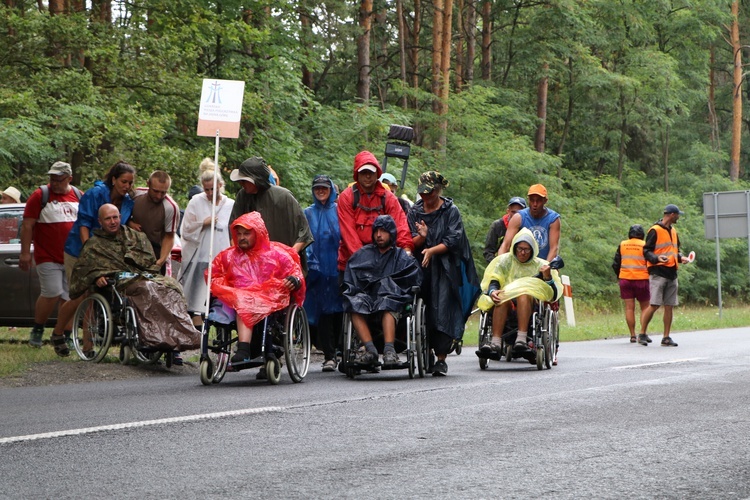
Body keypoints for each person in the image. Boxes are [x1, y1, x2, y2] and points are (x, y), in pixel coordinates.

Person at [50, 204, 199, 358]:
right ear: (100, 221)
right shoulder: (94, 245)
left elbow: (148, 261)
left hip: (143, 276)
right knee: (148, 290)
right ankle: (154, 338)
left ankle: (182, 336)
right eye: (108, 219)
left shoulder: (136, 237)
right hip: (121, 286)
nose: (113, 221)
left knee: (171, 289)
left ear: (120, 218)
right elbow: (86, 270)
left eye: (115, 217)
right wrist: (97, 276)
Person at [407, 171, 480, 376]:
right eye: (422, 193)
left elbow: (453, 240)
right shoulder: (414, 212)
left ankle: (441, 358)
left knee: (443, 310)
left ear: (438, 191)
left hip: (446, 268)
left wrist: (432, 249)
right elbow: (408, 241)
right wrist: (422, 240)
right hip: (421, 267)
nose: (425, 197)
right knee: (422, 306)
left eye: (429, 193)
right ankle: (424, 349)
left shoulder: (451, 211)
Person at [208, 212, 305, 365]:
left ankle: (246, 349)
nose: (241, 237)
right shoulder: (227, 256)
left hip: (269, 300)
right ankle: (245, 349)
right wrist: (224, 288)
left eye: (246, 233)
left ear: (258, 233)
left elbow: (295, 271)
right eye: (238, 234)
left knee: (247, 302)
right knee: (243, 301)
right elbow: (214, 273)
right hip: (237, 300)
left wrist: (294, 279)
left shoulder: (276, 254)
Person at [342, 215, 422, 367]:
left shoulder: (402, 258)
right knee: (353, 303)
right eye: (376, 231)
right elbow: (351, 279)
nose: (379, 235)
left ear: (391, 233)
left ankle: (389, 351)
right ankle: (370, 351)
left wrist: (390, 288)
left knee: (387, 301)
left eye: (383, 231)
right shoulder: (362, 254)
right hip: (367, 297)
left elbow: (411, 280)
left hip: (392, 299)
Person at [19, 162, 82, 348]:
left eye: (59, 179)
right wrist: (24, 253)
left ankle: (64, 334)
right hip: (47, 256)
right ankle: (38, 328)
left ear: (69, 179)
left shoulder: (78, 196)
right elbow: (27, 225)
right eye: (52, 179)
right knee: (52, 292)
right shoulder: (40, 196)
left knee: (70, 297)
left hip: (72, 256)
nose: (54, 182)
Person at [478, 228, 563, 352]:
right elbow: (494, 279)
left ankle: (521, 339)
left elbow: (553, 294)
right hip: (507, 301)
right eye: (520, 249)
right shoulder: (504, 261)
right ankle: (495, 342)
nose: (522, 253)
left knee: (523, 294)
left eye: (526, 249)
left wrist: (548, 277)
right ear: (514, 248)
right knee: (501, 299)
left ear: (532, 249)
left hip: (530, 304)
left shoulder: (541, 265)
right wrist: (493, 291)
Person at [178, 159, 235, 330]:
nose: (210, 193)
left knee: (220, 297)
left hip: (222, 257)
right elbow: (186, 229)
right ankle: (197, 324)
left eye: (213, 189)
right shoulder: (196, 201)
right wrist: (204, 223)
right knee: (197, 297)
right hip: (201, 256)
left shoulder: (230, 205)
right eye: (207, 189)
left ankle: (220, 325)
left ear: (220, 185)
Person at [228, 156, 313, 268]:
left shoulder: (283, 197)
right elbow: (233, 229)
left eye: (244, 180)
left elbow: (304, 233)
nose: (241, 183)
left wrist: (288, 256)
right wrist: (239, 258)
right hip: (251, 266)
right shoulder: (242, 196)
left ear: (256, 179)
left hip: (283, 266)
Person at [337, 151, 413, 275]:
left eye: (371, 173)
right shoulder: (347, 197)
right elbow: (348, 234)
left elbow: (400, 224)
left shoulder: (387, 197)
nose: (367, 176)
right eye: (364, 172)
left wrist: (406, 250)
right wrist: (365, 261)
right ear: (357, 174)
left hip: (384, 264)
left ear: (377, 173)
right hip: (351, 263)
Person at [63, 160, 136, 280]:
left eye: (130, 183)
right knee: (79, 295)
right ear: (113, 180)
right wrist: (88, 252)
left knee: (97, 294)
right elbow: (84, 224)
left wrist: (130, 222)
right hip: (78, 250)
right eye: (124, 182)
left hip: (105, 255)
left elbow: (120, 223)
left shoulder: (128, 202)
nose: (127, 186)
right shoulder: (95, 194)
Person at [303, 174, 344, 372]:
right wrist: (311, 263)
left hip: (337, 269)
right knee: (322, 313)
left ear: (330, 190)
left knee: (339, 312)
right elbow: (304, 238)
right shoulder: (308, 213)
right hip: (317, 272)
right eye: (317, 188)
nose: (320, 191)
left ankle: (340, 352)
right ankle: (329, 354)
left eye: (324, 188)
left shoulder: (340, 211)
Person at [638, 204, 690, 347]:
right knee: (654, 304)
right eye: (678, 215)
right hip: (658, 273)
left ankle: (666, 337)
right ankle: (642, 333)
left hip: (672, 273)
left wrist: (681, 258)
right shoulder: (654, 230)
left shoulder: (673, 231)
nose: (679, 217)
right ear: (672, 215)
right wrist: (656, 259)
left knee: (669, 306)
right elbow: (646, 251)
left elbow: (674, 251)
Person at [129, 170, 180, 275]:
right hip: (133, 247)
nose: (159, 196)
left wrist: (161, 261)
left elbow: (169, 236)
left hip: (155, 250)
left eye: (163, 192)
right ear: (148, 184)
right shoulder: (136, 194)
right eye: (155, 191)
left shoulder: (170, 207)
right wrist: (130, 223)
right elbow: (122, 214)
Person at [499, 184, 560, 261]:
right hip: (521, 264)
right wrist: (500, 263)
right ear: (528, 200)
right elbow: (505, 245)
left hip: (544, 263)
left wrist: (546, 266)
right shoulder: (518, 217)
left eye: (538, 201)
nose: (535, 204)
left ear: (545, 201)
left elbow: (554, 248)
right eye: (532, 200)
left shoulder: (553, 219)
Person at [612, 224, 650, 343]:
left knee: (629, 308)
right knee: (645, 308)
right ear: (642, 234)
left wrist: (620, 275)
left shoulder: (622, 244)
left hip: (625, 279)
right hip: (642, 279)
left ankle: (632, 335)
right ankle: (642, 333)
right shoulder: (645, 245)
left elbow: (615, 263)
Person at [483, 196, 527, 263]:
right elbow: (488, 251)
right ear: (508, 211)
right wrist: (496, 264)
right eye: (513, 212)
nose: (516, 215)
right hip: (499, 264)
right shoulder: (497, 226)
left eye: (519, 212)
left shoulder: (527, 227)